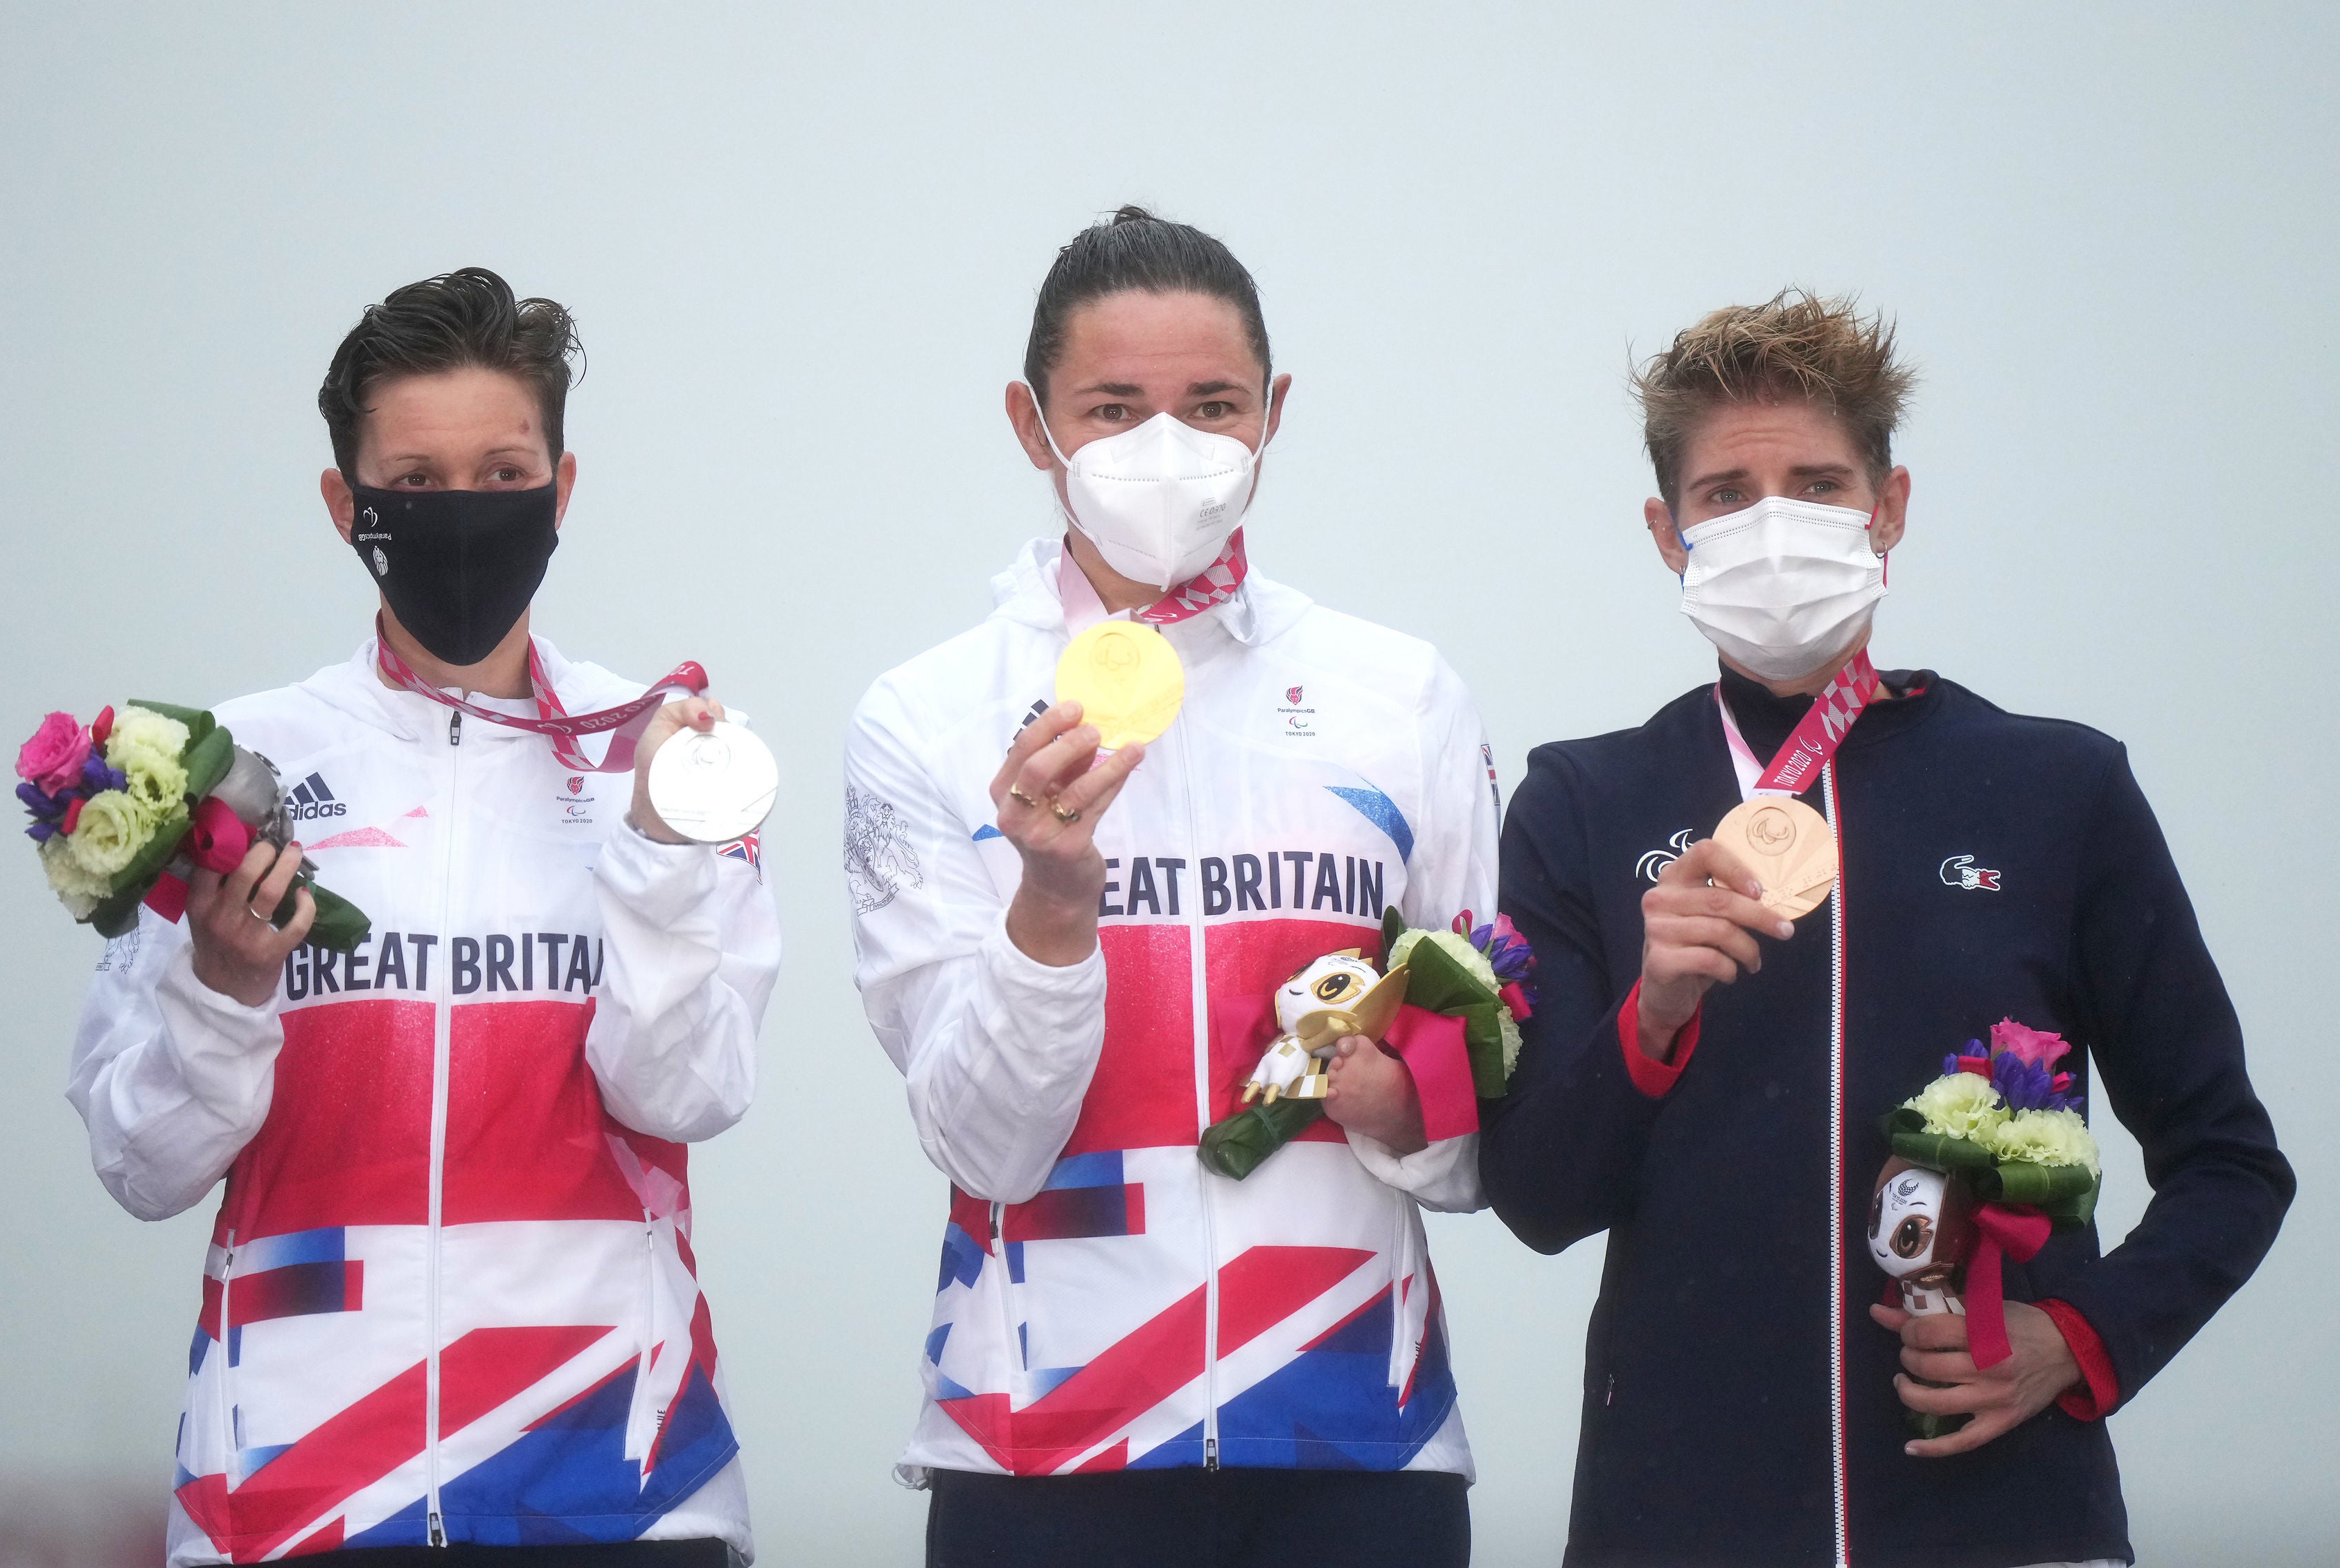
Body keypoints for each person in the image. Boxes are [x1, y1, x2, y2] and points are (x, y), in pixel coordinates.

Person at [1478, 291, 2294, 1568]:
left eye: (1817, 485)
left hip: (2005, 1515)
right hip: (1677, 1520)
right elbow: (1532, 1196)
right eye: (1727, 495)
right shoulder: (1584, 800)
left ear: (1890, 508)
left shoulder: (2057, 789)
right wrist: (1653, 1017)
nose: (1774, 527)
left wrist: (2079, 1339)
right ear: (1665, 531)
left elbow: (2232, 1162)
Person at [67, 269, 781, 1567]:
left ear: (564, 491)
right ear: (347, 505)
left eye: (506, 474)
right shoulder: (221, 773)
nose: (465, 513)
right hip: (290, 1496)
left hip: (620, 1491)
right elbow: (140, 1165)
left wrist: (659, 861)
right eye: (419, 479)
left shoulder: (664, 757)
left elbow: (688, 1095)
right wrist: (223, 991)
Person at [843, 207, 1496, 1567]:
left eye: (1211, 407)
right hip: (1038, 1446)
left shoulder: (1400, 695)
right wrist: (1050, 912)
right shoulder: (924, 717)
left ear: (1274, 414)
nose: (1168, 452)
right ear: (1033, 426)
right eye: (1112, 408)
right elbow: (982, 1146)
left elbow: (1489, 1100)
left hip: (1357, 1439)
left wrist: (1420, 1106)